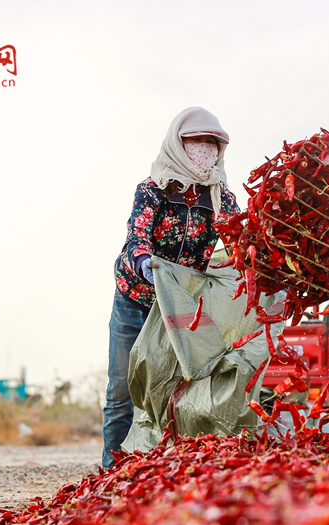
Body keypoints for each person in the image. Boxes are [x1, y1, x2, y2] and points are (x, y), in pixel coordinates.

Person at [102, 107, 240, 468]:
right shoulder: (153, 190)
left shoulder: (220, 198)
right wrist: (147, 265)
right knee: (122, 392)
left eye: (213, 144)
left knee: (174, 391)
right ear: (179, 144)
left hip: (182, 309)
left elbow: (240, 242)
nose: (205, 150)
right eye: (197, 142)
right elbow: (137, 237)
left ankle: (160, 468)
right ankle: (111, 470)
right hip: (137, 301)